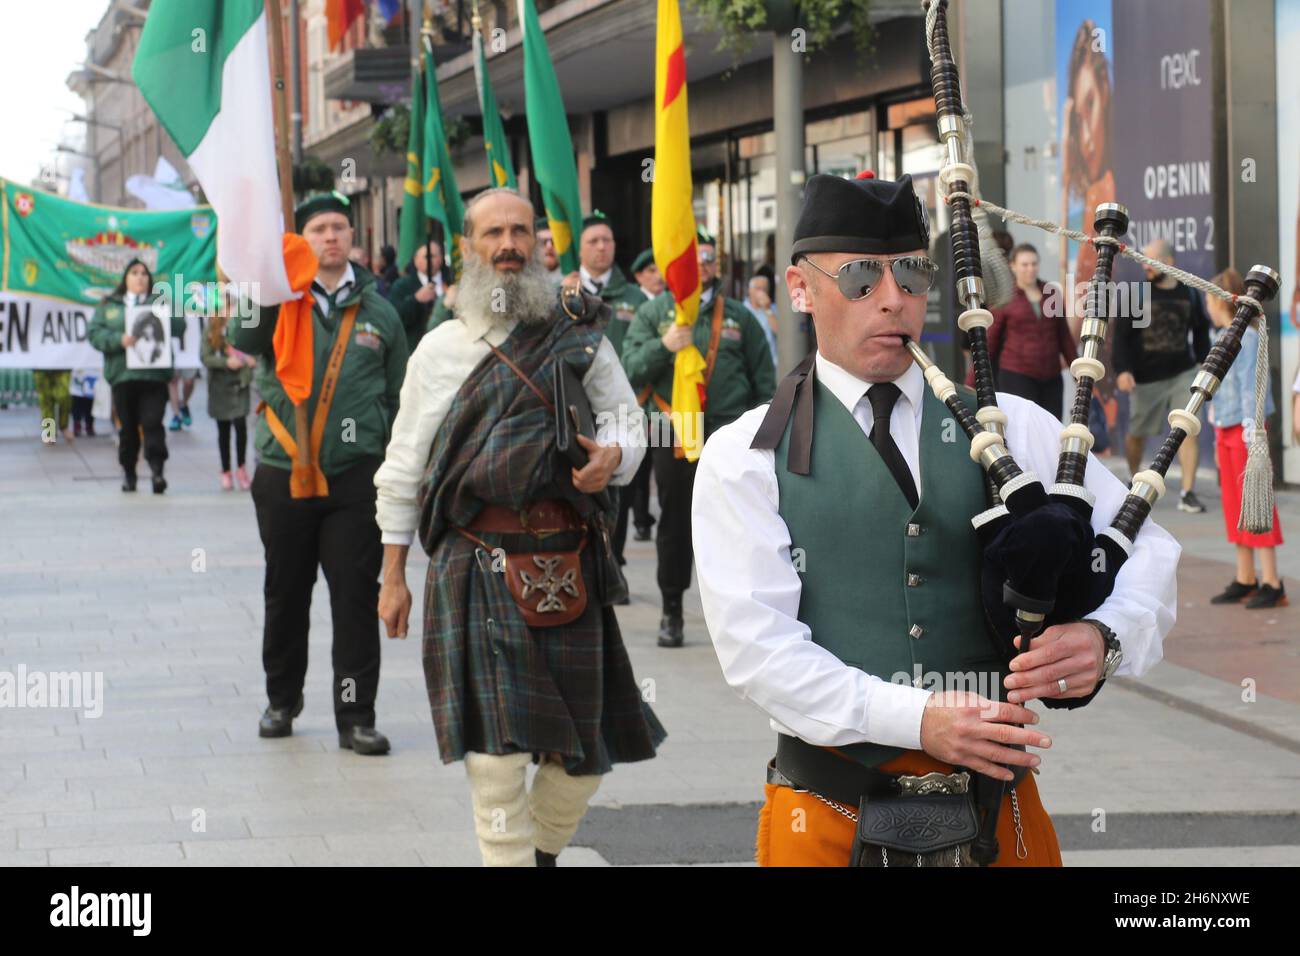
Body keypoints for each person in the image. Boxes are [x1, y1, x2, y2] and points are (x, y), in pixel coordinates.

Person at [691, 172, 1181, 867]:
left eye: (913, 277)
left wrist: (1108, 636)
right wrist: (917, 719)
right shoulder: (744, 456)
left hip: (996, 817)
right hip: (826, 818)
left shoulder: (1013, 425)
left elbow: (1146, 543)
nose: (893, 301)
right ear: (801, 289)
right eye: (861, 279)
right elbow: (758, 652)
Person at [373, 187, 664, 867]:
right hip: (474, 564)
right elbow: (402, 466)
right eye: (492, 233)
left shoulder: (578, 335)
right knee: (497, 760)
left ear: (539, 244)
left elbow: (628, 420)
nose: (507, 244)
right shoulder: (439, 351)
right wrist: (392, 575)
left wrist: (612, 458)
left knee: (587, 756)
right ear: (468, 249)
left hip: (569, 559)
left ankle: (537, 856)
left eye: (520, 231)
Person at [228, 191, 408, 755]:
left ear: (352, 237)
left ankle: (356, 716)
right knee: (286, 592)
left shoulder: (379, 311)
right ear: (302, 240)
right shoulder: (280, 299)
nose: (331, 237)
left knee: (355, 595)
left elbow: (402, 394)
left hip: (356, 479)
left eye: (340, 227)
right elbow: (241, 338)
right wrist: (265, 279)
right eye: (319, 229)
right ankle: (282, 700)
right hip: (284, 472)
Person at [621, 225, 776, 647]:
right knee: (674, 522)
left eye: (709, 257)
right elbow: (630, 368)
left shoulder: (740, 316)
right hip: (673, 429)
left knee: (736, 523)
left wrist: (765, 433)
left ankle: (741, 614)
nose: (703, 264)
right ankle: (672, 609)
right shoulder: (655, 315)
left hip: (731, 430)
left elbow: (764, 379)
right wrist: (664, 346)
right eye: (695, 257)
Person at [1205, 268, 1286, 609]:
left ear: (1219, 301)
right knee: (1234, 503)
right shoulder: (1220, 336)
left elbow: (1252, 385)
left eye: (1210, 299)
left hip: (1245, 428)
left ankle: (1271, 580)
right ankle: (1245, 576)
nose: (1207, 306)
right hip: (1226, 426)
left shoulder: (1248, 338)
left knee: (1256, 501)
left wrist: (1253, 433)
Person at [1113, 239, 1212, 513]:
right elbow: (1120, 338)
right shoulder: (1137, 295)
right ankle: (1133, 477)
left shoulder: (1189, 294)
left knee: (1187, 430)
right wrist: (1122, 370)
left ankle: (1188, 492)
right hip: (1146, 378)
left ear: (1168, 262)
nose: (1145, 265)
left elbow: (1201, 331)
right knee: (1137, 434)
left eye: (1151, 260)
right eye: (1143, 259)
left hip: (1183, 373)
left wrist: (1205, 364)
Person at [88, 258, 185, 493]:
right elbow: (94, 334)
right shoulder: (109, 305)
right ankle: (129, 472)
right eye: (134, 272)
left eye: (144, 273)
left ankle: (157, 471)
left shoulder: (160, 302)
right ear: (125, 278)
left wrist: (167, 312)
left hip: (153, 377)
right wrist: (118, 340)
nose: (140, 277)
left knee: (153, 423)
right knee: (128, 428)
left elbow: (180, 327)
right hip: (123, 376)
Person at [967, 243, 1076, 421]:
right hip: (1017, 376)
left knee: (1051, 429)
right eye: (1025, 264)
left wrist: (1078, 373)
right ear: (1013, 266)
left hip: (1052, 377)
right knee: (1022, 430)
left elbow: (1064, 337)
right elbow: (988, 343)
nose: (1030, 269)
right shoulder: (1006, 296)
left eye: (1034, 264)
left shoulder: (1051, 293)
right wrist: (972, 382)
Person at [616, 246, 663, 550]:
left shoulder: (674, 305)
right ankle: (641, 520)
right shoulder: (630, 304)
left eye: (659, 269)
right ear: (637, 277)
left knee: (664, 465)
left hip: (664, 407)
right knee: (636, 469)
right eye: (650, 271)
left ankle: (648, 520)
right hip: (632, 404)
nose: (657, 276)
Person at [200, 290, 256, 491]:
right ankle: (226, 470)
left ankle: (241, 467)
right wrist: (226, 362)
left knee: (240, 425)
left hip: (240, 384)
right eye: (226, 306)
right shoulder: (212, 329)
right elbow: (205, 357)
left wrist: (248, 361)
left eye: (232, 306)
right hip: (219, 386)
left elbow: (255, 352)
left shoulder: (245, 326)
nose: (229, 310)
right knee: (223, 429)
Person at [387, 241, 446, 351]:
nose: (430, 261)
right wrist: (415, 300)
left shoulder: (450, 283)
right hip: (415, 350)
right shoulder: (401, 286)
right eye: (426, 257)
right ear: (416, 261)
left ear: (441, 259)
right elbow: (393, 319)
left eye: (433, 256)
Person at [745, 275, 779, 369]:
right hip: (749, 365)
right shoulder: (743, 309)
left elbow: (778, 332)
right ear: (750, 290)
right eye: (758, 288)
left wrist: (767, 309)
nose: (762, 292)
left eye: (764, 289)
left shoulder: (773, 309)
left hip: (771, 364)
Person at [32, 368, 74, 443]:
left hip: (62, 366)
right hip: (40, 367)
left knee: (64, 396)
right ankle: (49, 432)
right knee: (46, 400)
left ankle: (64, 426)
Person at [535, 218, 565, 285]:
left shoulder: (574, 281)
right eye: (543, 242)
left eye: (555, 242)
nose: (549, 246)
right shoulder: (523, 280)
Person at [70, 368, 98, 437]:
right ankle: (77, 425)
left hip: (90, 371)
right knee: (76, 403)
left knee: (89, 403)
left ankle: (89, 425)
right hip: (77, 373)